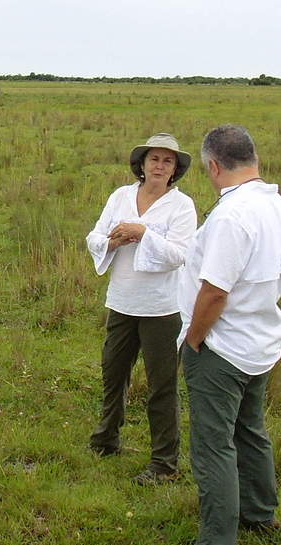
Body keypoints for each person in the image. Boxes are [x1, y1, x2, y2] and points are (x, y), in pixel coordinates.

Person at [167, 124, 281, 545]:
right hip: (261, 340)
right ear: (252, 159)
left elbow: (214, 292)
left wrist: (193, 339)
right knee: (250, 430)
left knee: (213, 448)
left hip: (222, 347)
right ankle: (259, 513)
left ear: (212, 165)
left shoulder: (232, 216)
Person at [85, 133, 198, 484]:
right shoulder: (120, 196)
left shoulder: (182, 206)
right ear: (142, 164)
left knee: (161, 385)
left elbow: (182, 254)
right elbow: (95, 236)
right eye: (154, 159)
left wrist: (142, 233)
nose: (160, 166)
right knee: (113, 373)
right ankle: (106, 439)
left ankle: (164, 463)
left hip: (162, 309)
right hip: (122, 300)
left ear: (176, 169)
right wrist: (112, 240)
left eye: (168, 161)